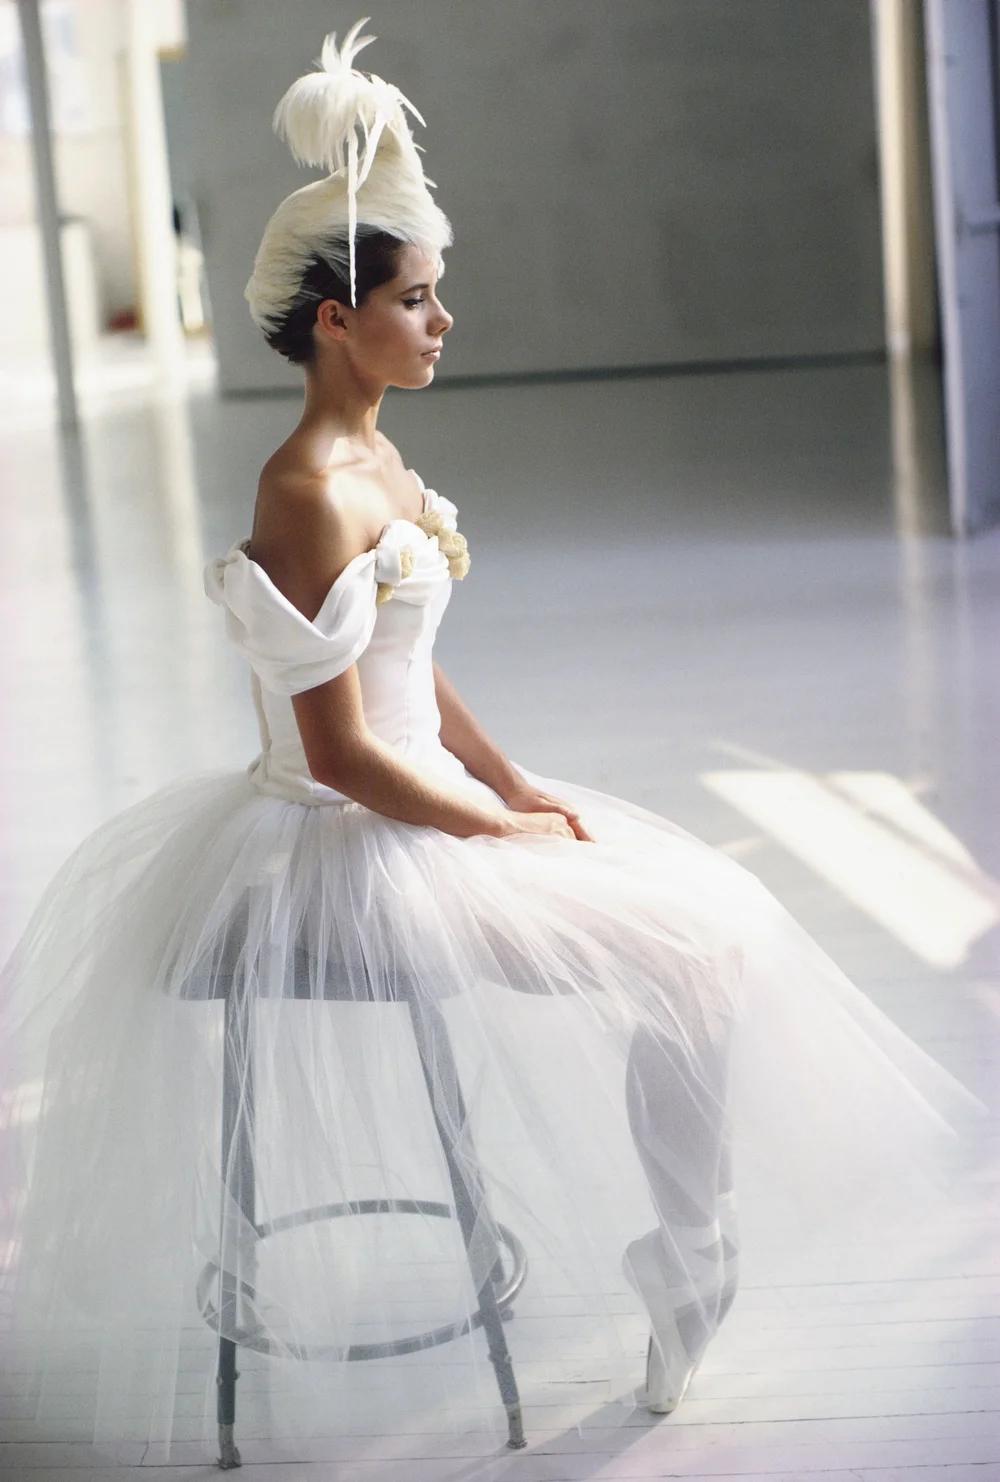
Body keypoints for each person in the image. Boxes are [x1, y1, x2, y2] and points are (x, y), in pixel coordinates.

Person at [0, 18, 991, 1467]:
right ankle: (688, 1259)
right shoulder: (307, 492)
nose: (443, 320)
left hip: (431, 798)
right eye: (416, 297)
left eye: (438, 292)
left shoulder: (383, 456)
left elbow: (415, 666)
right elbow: (337, 752)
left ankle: (686, 1249)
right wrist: (487, 830)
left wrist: (515, 781)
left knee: (710, 923)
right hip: (341, 844)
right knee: (685, 945)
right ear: (336, 319)